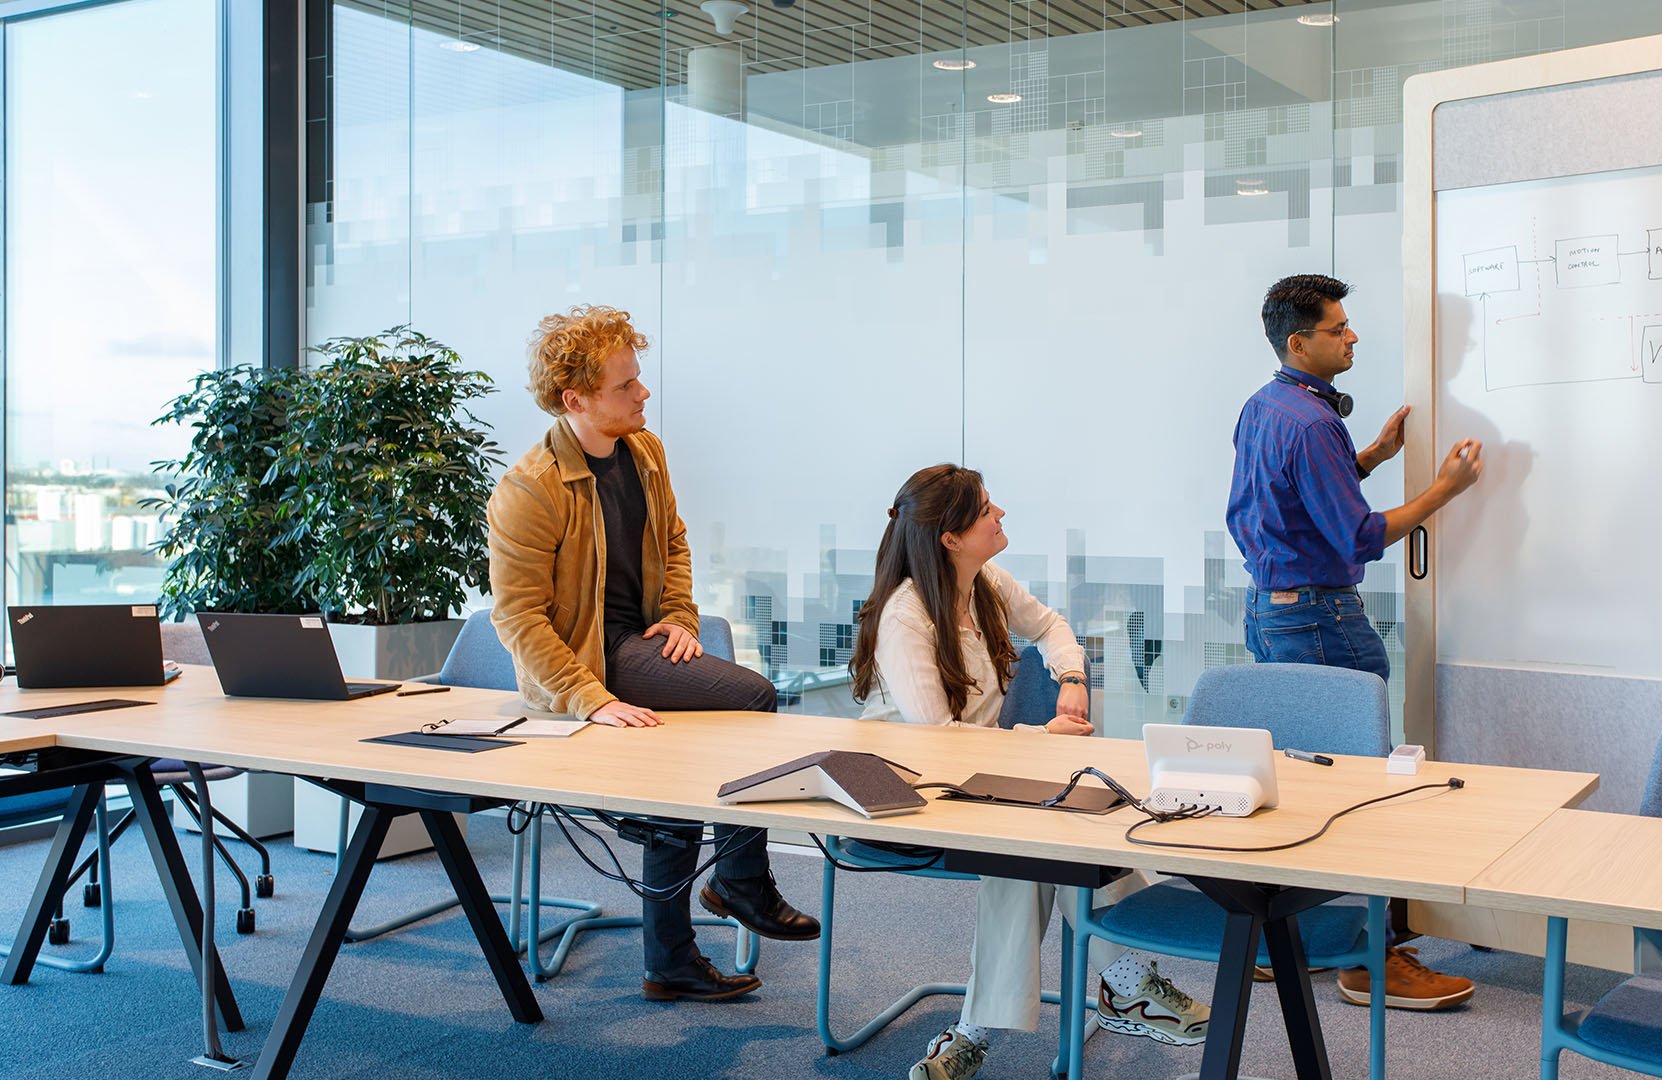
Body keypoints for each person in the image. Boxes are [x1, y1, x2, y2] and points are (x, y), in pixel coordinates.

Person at [487, 304, 818, 1003]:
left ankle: (671, 956)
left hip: (638, 641)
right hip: (586, 662)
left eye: (639, 380)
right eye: (626, 385)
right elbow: (518, 617)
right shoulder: (529, 489)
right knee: (754, 696)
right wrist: (592, 697)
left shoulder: (645, 452)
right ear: (576, 400)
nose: (643, 394)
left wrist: (676, 615)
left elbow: (672, 542)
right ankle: (736, 882)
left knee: (683, 766)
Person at [851, 464, 1209, 1080]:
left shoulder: (983, 582)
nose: (1001, 514)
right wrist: (1041, 736)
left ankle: (976, 1031)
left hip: (976, 781)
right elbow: (936, 743)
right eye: (987, 509)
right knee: (1029, 850)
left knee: (1048, 840)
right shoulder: (906, 616)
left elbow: (1050, 625)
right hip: (903, 795)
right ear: (950, 538)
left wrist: (1071, 677)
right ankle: (1125, 984)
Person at [1226, 273, 1484, 1011]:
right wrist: (1444, 491)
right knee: (1365, 793)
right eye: (1339, 328)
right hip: (1319, 620)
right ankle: (1375, 961)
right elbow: (1359, 535)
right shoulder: (1311, 422)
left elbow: (1291, 502)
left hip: (1273, 612)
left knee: (1301, 787)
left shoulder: (1267, 408)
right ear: (1298, 341)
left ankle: (1290, 944)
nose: (1354, 336)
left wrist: (1366, 456)